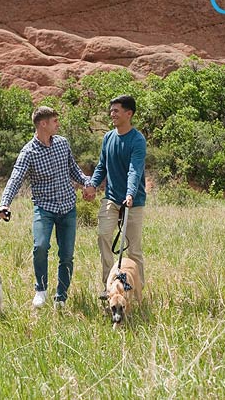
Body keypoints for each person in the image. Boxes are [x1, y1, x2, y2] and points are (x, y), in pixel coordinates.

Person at [0, 106, 92, 309]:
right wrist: (4, 203)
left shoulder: (62, 144)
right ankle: (41, 289)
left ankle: (61, 298)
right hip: (44, 209)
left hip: (68, 207)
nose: (58, 124)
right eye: (55, 121)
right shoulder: (28, 152)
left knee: (66, 255)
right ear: (43, 124)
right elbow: (15, 179)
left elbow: (74, 169)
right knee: (40, 247)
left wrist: (87, 182)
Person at [84, 95, 147, 299]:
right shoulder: (108, 138)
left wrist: (130, 193)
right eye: (111, 110)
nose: (112, 114)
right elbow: (102, 165)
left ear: (129, 114)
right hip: (111, 198)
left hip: (133, 200)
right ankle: (110, 286)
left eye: (116, 111)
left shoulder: (137, 140)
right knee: (103, 236)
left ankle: (136, 291)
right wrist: (93, 184)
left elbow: (134, 170)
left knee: (133, 249)